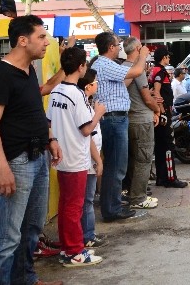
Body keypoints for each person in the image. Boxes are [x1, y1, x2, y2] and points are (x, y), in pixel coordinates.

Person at [0, 15, 64, 285]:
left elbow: (32, 112)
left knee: (31, 230)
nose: (46, 42)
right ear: (22, 40)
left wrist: (50, 138)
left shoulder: (29, 70)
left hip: (37, 156)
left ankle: (25, 280)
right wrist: (2, 168)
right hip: (15, 162)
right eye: (41, 37)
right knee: (7, 238)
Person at [47, 47, 105, 267]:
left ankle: (67, 247)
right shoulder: (76, 94)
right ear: (82, 67)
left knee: (66, 205)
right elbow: (85, 129)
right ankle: (74, 251)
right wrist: (98, 113)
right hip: (75, 157)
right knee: (74, 206)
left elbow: (49, 122)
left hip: (62, 156)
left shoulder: (56, 91)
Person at [90, 31, 150, 222]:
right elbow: (136, 72)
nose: (119, 48)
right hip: (113, 119)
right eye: (117, 44)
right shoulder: (105, 64)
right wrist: (142, 56)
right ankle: (112, 209)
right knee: (116, 166)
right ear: (110, 47)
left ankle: (112, 203)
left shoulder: (106, 65)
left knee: (115, 166)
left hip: (115, 119)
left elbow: (125, 80)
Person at [122, 37, 161, 210]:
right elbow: (146, 98)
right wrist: (157, 109)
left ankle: (132, 192)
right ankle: (138, 197)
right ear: (138, 49)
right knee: (144, 160)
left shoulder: (122, 67)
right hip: (141, 120)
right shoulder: (136, 70)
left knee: (132, 159)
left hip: (128, 119)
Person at [76, 69, 107, 250]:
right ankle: (87, 235)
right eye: (95, 81)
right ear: (88, 85)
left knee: (86, 198)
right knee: (86, 199)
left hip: (90, 157)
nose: (97, 84)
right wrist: (98, 114)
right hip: (87, 159)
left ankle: (87, 234)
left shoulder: (87, 103)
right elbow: (87, 134)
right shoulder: (85, 106)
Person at [150, 46, 188, 188]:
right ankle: (171, 179)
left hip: (160, 114)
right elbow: (157, 92)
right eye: (168, 56)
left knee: (160, 147)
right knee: (168, 147)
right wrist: (161, 112)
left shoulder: (153, 70)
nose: (169, 59)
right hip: (163, 114)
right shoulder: (160, 71)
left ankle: (161, 178)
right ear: (164, 57)